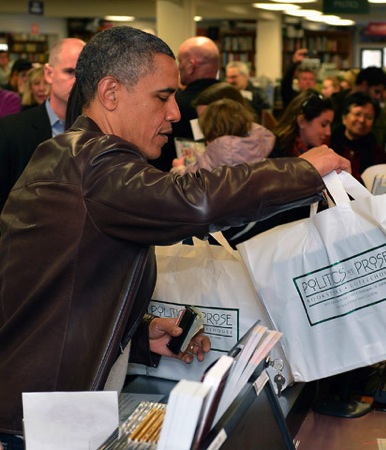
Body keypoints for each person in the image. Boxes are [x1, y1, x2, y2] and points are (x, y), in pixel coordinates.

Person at [0, 26, 350, 447]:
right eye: (162, 97)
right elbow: (191, 201)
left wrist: (137, 336)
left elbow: (64, 291)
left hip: (47, 408)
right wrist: (301, 170)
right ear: (110, 93)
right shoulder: (92, 162)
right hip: (36, 424)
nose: (175, 113)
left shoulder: (78, 158)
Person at [0, 37, 85, 212]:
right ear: (49, 73)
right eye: (70, 72)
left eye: (83, 74)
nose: (77, 82)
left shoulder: (102, 132)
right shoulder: (12, 131)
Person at [150, 36, 220, 172]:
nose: (179, 67)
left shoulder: (172, 106)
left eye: (180, 61)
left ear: (191, 66)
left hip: (174, 182)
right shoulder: (244, 104)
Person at [172, 98, 273, 174]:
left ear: (207, 130)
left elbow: (186, 182)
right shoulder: (259, 149)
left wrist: (178, 168)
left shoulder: (209, 159)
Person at [329, 91, 386, 182]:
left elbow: (380, 189)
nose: (362, 120)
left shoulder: (379, 156)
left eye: (368, 117)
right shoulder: (328, 146)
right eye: (357, 114)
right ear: (344, 118)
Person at [271, 89, 334, 158]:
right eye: (323, 124)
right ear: (302, 121)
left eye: (330, 125)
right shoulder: (275, 151)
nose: (328, 132)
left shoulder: (315, 149)